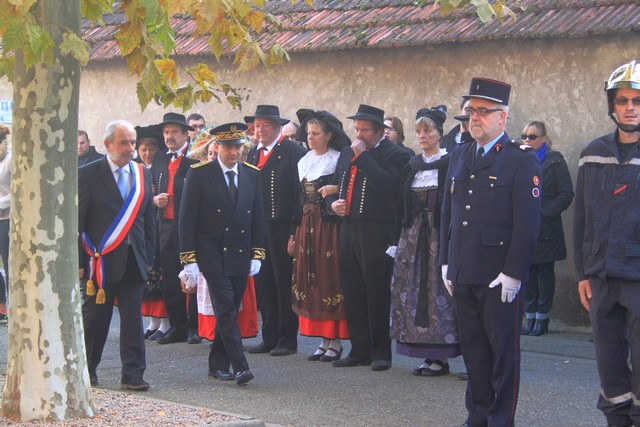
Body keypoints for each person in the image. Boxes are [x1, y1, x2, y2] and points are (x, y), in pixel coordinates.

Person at [439, 77, 541, 427]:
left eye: (484, 111)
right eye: (471, 111)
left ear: (503, 117)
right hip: (464, 269)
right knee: (473, 350)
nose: (475, 118)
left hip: (498, 274)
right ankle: (477, 415)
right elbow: (447, 212)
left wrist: (514, 271)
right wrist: (445, 261)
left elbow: (527, 223)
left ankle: (500, 419)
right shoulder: (460, 155)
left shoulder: (519, 160)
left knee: (502, 355)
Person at [574, 60, 640, 427]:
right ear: (612, 105)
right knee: (609, 361)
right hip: (600, 278)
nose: (629, 107)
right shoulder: (592, 152)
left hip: (638, 277)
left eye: (636, 100)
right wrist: (583, 273)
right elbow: (582, 218)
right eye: (622, 100)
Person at [179, 122, 265, 385]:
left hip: (240, 253)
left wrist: (257, 254)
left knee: (230, 310)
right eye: (228, 147)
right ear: (216, 146)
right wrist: (189, 260)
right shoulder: (200, 174)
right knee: (225, 309)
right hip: (212, 253)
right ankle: (240, 365)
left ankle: (217, 364)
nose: (234, 152)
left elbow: (257, 218)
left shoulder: (252, 174)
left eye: (238, 147)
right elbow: (187, 219)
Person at [326, 104, 410, 371]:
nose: (359, 134)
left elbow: (388, 187)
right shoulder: (347, 153)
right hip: (349, 227)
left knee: (376, 291)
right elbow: (338, 184)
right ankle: (358, 349)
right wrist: (333, 204)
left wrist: (363, 156)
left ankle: (380, 352)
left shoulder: (396, 154)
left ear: (379, 132)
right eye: (357, 129)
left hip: (378, 230)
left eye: (365, 130)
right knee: (352, 290)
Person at [79, 120, 155, 390]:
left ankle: (133, 374)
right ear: (109, 144)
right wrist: (80, 263)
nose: (130, 148)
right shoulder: (88, 174)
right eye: (124, 143)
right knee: (96, 320)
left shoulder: (142, 173)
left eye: (133, 142)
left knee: (134, 320)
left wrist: (150, 258)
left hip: (134, 260)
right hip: (100, 261)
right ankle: (86, 371)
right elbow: (79, 221)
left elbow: (148, 220)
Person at [388, 106, 460, 376]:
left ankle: (441, 357)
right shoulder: (413, 166)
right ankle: (425, 355)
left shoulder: (449, 162)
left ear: (439, 134)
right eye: (418, 131)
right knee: (413, 293)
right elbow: (401, 204)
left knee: (438, 293)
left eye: (427, 131)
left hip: (438, 236)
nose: (422, 136)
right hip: (413, 237)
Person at [289, 109, 350, 362]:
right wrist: (293, 234)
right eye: (308, 133)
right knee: (309, 278)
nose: (310, 138)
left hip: (328, 227)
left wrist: (335, 189)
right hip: (306, 225)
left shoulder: (337, 160)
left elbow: (345, 190)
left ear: (328, 135)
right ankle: (323, 341)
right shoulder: (303, 161)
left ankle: (334, 340)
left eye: (315, 134)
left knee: (328, 277)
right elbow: (297, 199)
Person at [245, 105, 306, 356]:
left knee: (283, 282)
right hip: (259, 226)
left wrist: (294, 230)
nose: (259, 130)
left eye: (265, 126)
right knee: (264, 281)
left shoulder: (293, 151)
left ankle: (287, 339)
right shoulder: (252, 153)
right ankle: (268, 336)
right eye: (257, 126)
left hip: (282, 226)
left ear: (277, 127)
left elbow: (298, 194)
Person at [519, 121, 574, 337]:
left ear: (543, 138)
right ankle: (530, 316)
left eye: (532, 136)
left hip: (547, 226)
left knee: (544, 271)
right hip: (526, 225)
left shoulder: (555, 160)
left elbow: (566, 193)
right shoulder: (521, 160)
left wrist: (545, 212)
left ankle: (543, 318)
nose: (527, 140)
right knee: (528, 271)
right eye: (524, 136)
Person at [150, 112, 200, 345]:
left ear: (185, 135)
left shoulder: (195, 158)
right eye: (166, 132)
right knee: (170, 276)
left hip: (189, 225)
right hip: (166, 224)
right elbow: (151, 188)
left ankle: (195, 326)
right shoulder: (160, 158)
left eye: (174, 133)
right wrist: (154, 200)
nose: (169, 137)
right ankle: (177, 324)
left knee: (192, 274)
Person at [132, 125, 171, 340]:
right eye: (143, 149)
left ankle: (165, 321)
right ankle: (153, 321)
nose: (147, 153)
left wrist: (155, 201)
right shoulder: (135, 168)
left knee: (160, 273)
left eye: (152, 149)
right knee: (146, 276)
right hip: (140, 227)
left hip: (158, 225)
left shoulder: (160, 169)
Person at [0, 125, 9, 324]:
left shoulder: (11, 159)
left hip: (7, 220)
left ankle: (14, 309)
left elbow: (17, 190)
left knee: (10, 266)